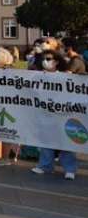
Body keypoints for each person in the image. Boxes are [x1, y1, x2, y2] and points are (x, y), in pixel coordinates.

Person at [32, 50, 78, 180]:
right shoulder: (38, 76)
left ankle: (69, 168)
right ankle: (45, 165)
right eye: (44, 59)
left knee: (65, 141)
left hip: (62, 114)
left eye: (49, 59)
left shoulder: (64, 77)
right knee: (46, 139)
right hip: (45, 113)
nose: (45, 61)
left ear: (57, 61)